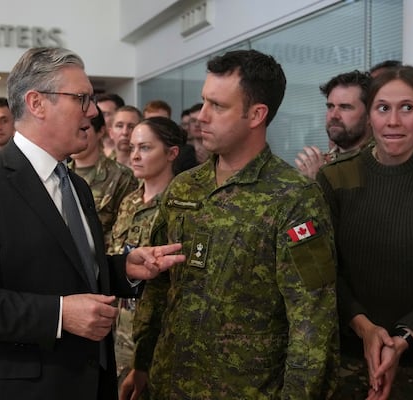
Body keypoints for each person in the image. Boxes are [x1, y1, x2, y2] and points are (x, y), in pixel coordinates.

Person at [0, 47, 185, 400]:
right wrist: (59, 314)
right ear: (37, 103)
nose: (93, 112)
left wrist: (123, 269)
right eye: (82, 98)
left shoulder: (74, 184)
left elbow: (59, 267)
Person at [121, 49, 339, 399]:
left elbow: (312, 321)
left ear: (256, 114)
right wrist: (142, 362)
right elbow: (159, 286)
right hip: (170, 380)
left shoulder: (294, 198)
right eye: (203, 102)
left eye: (218, 106)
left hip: (245, 389)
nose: (201, 117)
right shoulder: (184, 187)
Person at [318, 65, 413, 400]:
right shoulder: (334, 180)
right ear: (370, 115)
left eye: (408, 108)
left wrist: (401, 339)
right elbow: (323, 269)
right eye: (383, 108)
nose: (394, 121)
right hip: (346, 359)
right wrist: (365, 327)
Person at [107, 116, 186, 385]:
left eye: (145, 148)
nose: (135, 156)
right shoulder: (129, 200)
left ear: (171, 153)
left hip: (157, 335)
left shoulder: (180, 206)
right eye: (132, 148)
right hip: (119, 328)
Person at [69, 108, 137, 246]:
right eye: (69, 128)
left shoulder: (121, 176)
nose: (73, 134)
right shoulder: (60, 174)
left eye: (83, 129)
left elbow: (125, 232)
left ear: (100, 131)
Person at [295, 70, 372, 179]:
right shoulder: (319, 163)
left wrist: (320, 180)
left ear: (369, 115)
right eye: (330, 106)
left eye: (345, 107)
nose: (334, 115)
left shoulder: (382, 161)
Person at [97, 93, 125, 158]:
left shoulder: (130, 151)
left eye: (104, 114)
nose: (98, 119)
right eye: (97, 114)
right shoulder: (88, 149)